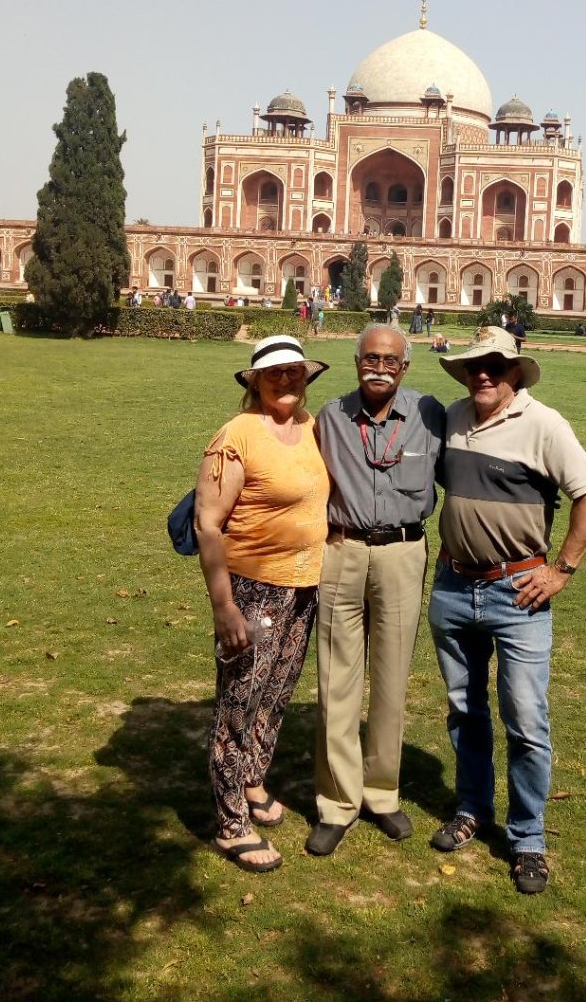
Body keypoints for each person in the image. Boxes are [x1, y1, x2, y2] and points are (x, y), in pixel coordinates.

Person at [428, 327, 586, 894]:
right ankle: (472, 808)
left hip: (518, 592)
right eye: (475, 366)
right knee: (464, 710)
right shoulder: (453, 418)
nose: (484, 374)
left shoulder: (543, 424)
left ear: (514, 374)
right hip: (455, 587)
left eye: (496, 367)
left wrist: (562, 569)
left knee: (526, 720)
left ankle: (527, 836)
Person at [193, 334, 330, 873]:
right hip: (252, 588)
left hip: (303, 586)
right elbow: (208, 524)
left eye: (295, 371)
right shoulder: (238, 435)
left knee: (274, 694)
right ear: (254, 380)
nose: (287, 379)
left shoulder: (310, 428)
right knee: (238, 701)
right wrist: (223, 605)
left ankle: (252, 778)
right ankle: (230, 823)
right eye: (275, 372)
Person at [309, 325, 445, 856]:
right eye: (370, 357)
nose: (379, 367)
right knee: (336, 678)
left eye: (390, 359)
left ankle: (382, 793)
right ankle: (336, 802)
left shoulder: (430, 415)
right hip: (341, 549)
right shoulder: (332, 417)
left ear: (405, 367)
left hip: (403, 552)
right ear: (356, 360)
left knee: (391, 677)